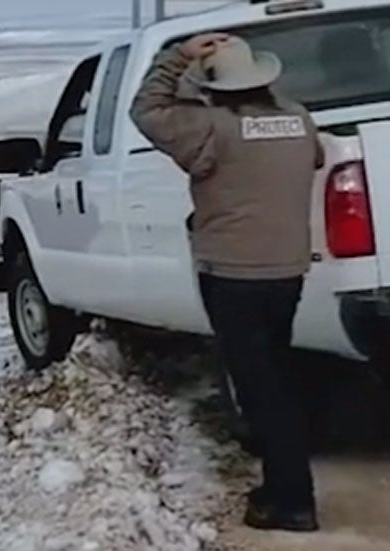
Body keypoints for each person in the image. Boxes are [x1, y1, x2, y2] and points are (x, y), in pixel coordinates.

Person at [130, 33, 324, 532]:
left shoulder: (210, 128)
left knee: (261, 389)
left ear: (215, 88)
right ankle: (281, 485)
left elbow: (147, 110)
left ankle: (292, 502)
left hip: (234, 275)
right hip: (287, 271)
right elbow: (311, 156)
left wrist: (179, 58)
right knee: (275, 374)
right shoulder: (299, 119)